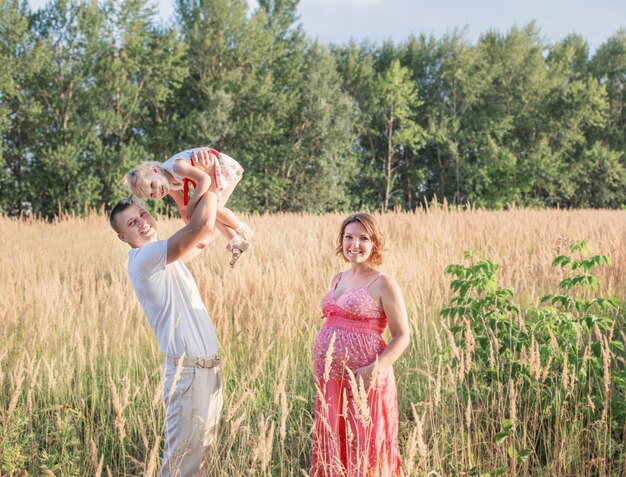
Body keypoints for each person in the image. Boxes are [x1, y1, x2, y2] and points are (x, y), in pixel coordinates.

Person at [110, 152, 223, 477]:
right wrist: (212, 177)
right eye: (132, 223)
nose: (143, 222)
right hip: (187, 376)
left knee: (203, 466)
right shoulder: (143, 259)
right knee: (180, 469)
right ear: (123, 237)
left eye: (143, 214)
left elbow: (207, 232)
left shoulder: (168, 259)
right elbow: (201, 224)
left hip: (208, 372)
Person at [311, 213, 410, 477]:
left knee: (365, 447)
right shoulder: (337, 278)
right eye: (349, 237)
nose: (355, 244)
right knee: (334, 444)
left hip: (365, 380)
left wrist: (373, 370)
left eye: (363, 238)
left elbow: (402, 335)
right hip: (332, 381)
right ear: (341, 241)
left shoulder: (383, 282)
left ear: (375, 243)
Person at [124, 146, 253, 267]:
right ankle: (236, 241)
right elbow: (182, 207)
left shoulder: (175, 167)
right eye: (151, 195)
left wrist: (192, 205)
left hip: (221, 166)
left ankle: (241, 228)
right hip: (212, 171)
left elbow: (205, 179)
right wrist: (189, 220)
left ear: (155, 170)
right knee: (209, 211)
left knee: (211, 209)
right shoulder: (169, 185)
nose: (157, 192)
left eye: (152, 185)